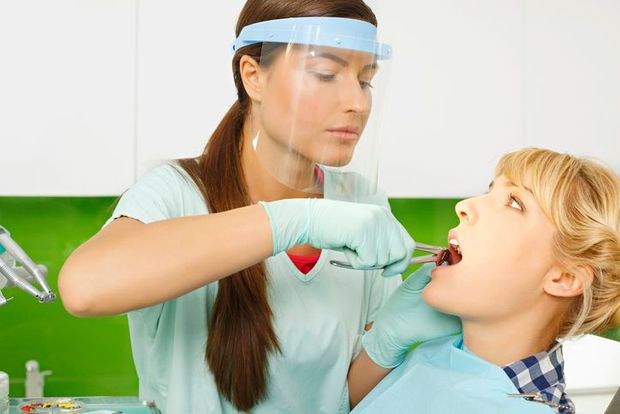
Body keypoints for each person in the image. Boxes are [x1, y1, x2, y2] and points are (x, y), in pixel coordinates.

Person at [57, 1, 443, 413]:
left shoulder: (363, 202)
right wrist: (294, 220)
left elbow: (341, 398)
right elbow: (84, 288)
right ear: (253, 76)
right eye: (326, 74)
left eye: (365, 80)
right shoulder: (178, 193)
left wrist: (387, 342)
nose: (358, 103)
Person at [349, 148, 620, 413]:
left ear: (565, 278)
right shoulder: (434, 356)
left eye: (515, 202)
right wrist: (383, 345)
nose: (464, 206)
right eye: (490, 191)